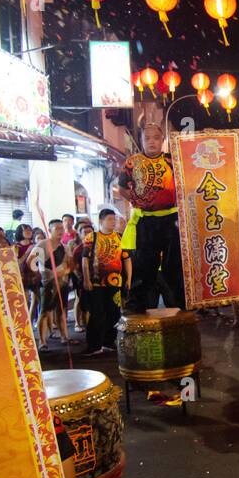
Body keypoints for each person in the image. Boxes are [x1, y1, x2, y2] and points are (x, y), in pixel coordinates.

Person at [120, 118, 184, 313]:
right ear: (141, 140)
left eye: (156, 138)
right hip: (146, 219)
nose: (152, 141)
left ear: (162, 139)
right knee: (143, 262)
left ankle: (180, 301)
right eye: (147, 138)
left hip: (171, 219)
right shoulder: (132, 162)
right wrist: (136, 199)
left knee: (174, 263)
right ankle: (137, 303)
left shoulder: (172, 160)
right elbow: (122, 187)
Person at [83, 209, 129, 357]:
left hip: (115, 282)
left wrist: (128, 278)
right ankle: (94, 345)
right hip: (97, 282)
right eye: (110, 219)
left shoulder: (120, 237)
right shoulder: (92, 237)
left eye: (114, 219)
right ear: (101, 221)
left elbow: (126, 259)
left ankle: (109, 342)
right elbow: (85, 260)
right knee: (97, 313)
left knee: (114, 313)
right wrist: (86, 278)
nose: (113, 222)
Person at [28, 219, 73, 350]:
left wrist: (65, 271)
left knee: (62, 310)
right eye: (57, 228)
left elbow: (71, 264)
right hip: (47, 283)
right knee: (45, 311)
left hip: (63, 282)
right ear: (50, 230)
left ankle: (64, 336)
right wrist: (41, 274)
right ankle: (42, 341)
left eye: (61, 228)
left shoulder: (65, 247)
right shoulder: (42, 245)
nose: (60, 231)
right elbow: (31, 262)